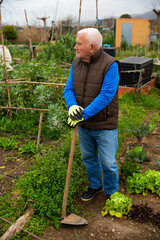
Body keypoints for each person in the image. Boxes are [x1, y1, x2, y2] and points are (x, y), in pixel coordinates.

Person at [64, 28, 120, 201]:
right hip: (84, 124)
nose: (75, 47)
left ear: (92, 47)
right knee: (88, 158)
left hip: (104, 124)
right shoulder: (77, 62)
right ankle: (95, 185)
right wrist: (73, 106)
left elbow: (106, 95)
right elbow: (69, 88)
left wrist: (84, 114)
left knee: (108, 163)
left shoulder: (110, 65)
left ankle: (111, 191)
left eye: (79, 43)